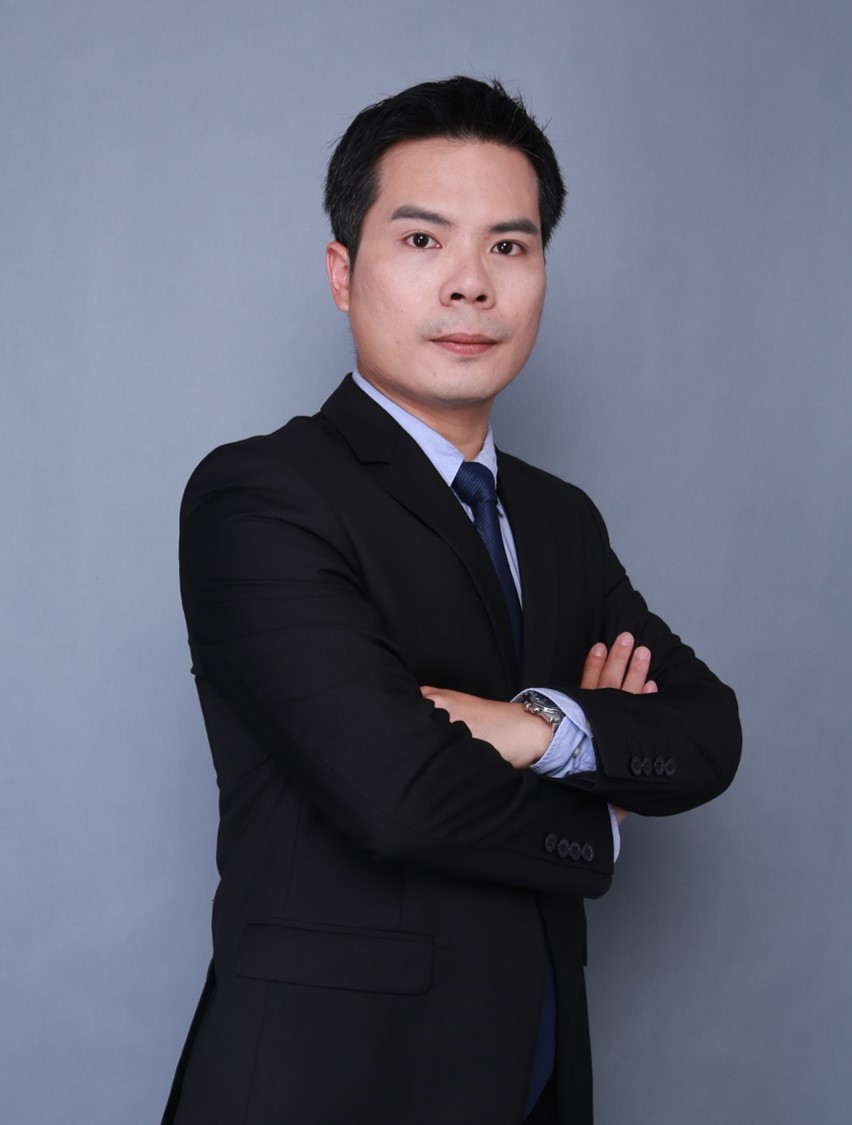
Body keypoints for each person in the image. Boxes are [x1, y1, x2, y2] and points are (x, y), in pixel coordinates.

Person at [162, 76, 741, 1125]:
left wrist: (531, 726)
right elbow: (398, 794)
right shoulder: (261, 494)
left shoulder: (560, 518)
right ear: (343, 273)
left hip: (533, 1085)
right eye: (423, 240)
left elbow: (706, 734)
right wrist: (599, 818)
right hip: (324, 1089)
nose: (471, 284)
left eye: (508, 246)